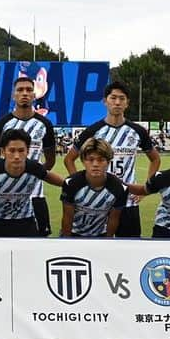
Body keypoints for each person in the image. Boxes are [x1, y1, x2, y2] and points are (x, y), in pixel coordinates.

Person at [62, 80, 160, 237]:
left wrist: (145, 190)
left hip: (128, 201)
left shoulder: (137, 131)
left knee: (130, 248)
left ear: (127, 103)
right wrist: (79, 185)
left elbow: (155, 159)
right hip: (99, 203)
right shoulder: (93, 130)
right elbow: (69, 159)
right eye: (113, 98)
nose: (117, 102)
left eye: (122, 98)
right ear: (105, 101)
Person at [0, 76, 57, 236]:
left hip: (36, 194)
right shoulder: (1, 124)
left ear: (35, 95)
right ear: (14, 95)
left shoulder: (45, 124)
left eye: (29, 90)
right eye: (20, 90)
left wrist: (35, 175)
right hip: (7, 196)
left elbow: (50, 160)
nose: (24, 93)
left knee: (39, 243)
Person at [60, 137, 128, 238]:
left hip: (100, 236)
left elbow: (113, 220)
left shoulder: (120, 188)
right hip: (74, 234)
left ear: (108, 162)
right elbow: (67, 217)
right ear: (83, 161)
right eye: (90, 159)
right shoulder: (71, 184)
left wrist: (107, 241)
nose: (95, 164)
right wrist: (67, 242)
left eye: (101, 160)